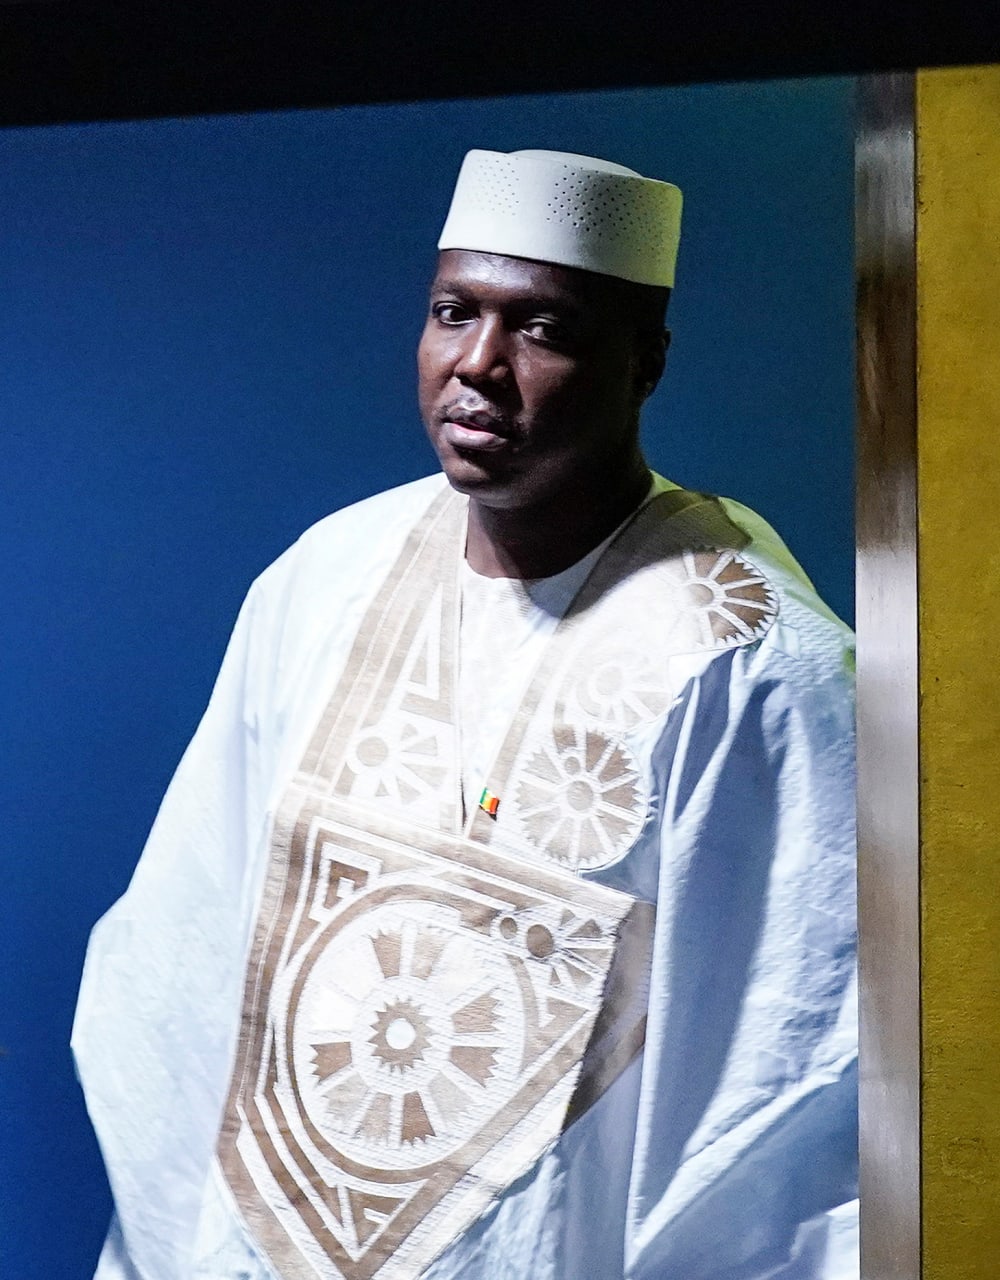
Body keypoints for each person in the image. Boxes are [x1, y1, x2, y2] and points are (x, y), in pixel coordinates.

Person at [71, 149, 857, 1280]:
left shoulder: (751, 669)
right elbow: (189, 951)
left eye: (542, 328)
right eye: (454, 312)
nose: (478, 365)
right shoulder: (328, 577)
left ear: (646, 363)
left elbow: (783, 1091)